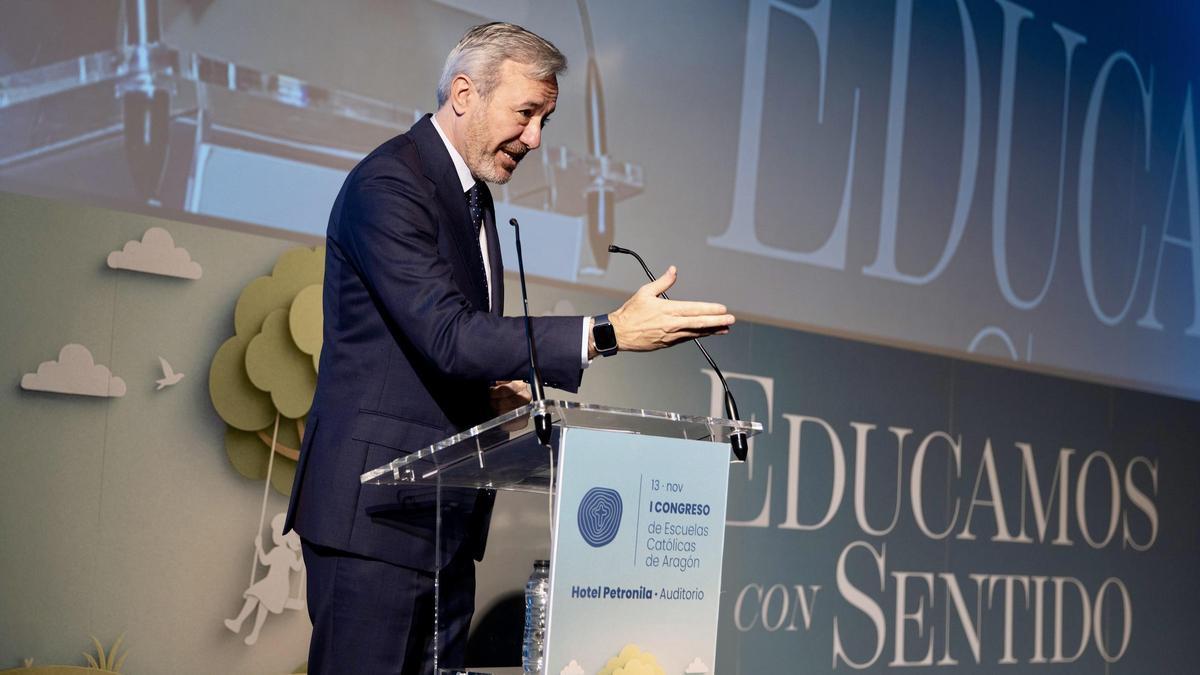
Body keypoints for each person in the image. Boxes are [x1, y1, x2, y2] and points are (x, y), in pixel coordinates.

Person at [283, 22, 734, 674]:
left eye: (545, 119)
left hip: (444, 526)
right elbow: (448, 334)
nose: (536, 139)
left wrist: (490, 392)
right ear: (464, 93)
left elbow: (436, 347)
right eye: (526, 114)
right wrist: (606, 331)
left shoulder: (475, 201)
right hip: (375, 526)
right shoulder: (391, 184)